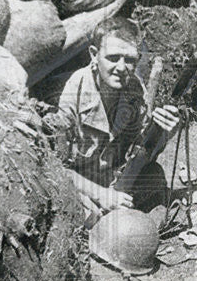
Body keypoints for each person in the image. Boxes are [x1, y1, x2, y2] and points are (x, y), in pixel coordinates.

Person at [57, 17, 181, 227]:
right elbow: (57, 169)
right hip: (81, 185)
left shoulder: (134, 89)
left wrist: (164, 133)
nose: (122, 67)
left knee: (154, 177)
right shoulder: (74, 92)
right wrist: (101, 195)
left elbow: (141, 153)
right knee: (87, 216)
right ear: (94, 56)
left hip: (113, 182)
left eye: (130, 59)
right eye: (113, 58)